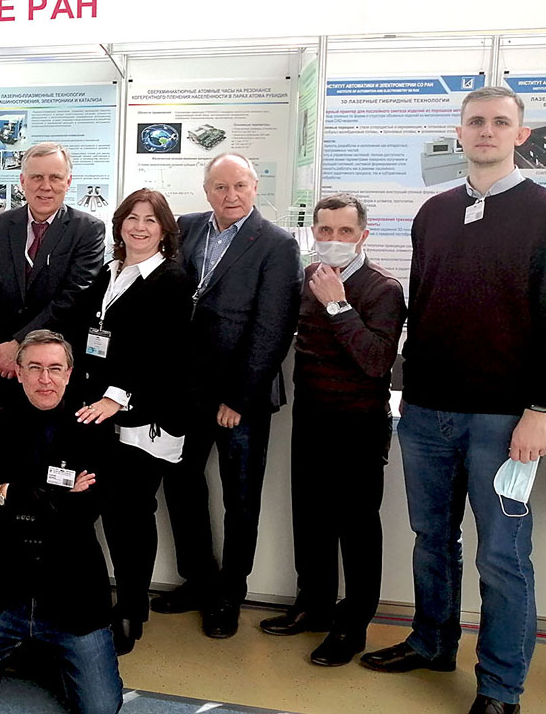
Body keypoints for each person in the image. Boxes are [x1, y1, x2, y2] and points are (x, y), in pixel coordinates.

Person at [361, 86, 546, 714]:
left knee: (503, 557)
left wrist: (541, 409)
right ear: (461, 132)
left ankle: (500, 687)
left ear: (520, 135)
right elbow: (425, 304)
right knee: (431, 538)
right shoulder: (434, 212)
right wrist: (405, 393)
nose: (486, 131)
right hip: (426, 411)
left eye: (500, 122)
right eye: (476, 121)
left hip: (505, 418)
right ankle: (431, 642)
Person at [150, 153, 302, 639]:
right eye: (220, 186)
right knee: (181, 485)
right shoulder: (187, 228)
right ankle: (198, 579)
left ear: (255, 187)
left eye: (239, 186)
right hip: (186, 391)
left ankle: (229, 595)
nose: (230, 195)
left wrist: (239, 398)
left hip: (241, 398)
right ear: (206, 189)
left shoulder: (277, 244)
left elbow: (273, 328)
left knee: (240, 497)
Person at [0, 330, 121, 714]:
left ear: (69, 373)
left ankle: (42, 653)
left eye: (55, 368)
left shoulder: (93, 428)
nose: (45, 379)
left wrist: (11, 492)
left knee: (101, 708)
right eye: (35, 368)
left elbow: (86, 513)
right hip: (3, 588)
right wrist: (56, 492)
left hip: (73, 589)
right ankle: (24, 648)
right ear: (19, 372)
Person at [258, 194, 405, 667]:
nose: (334, 239)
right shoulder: (308, 277)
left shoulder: (383, 288)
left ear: (363, 235)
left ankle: (353, 625)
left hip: (359, 425)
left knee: (357, 527)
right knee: (311, 517)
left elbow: (376, 361)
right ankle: (314, 605)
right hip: (312, 418)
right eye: (325, 230)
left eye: (345, 231)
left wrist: (338, 305)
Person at [73, 188, 193, 654]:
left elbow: (164, 353)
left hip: (145, 417)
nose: (139, 227)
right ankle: (102, 602)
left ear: (164, 230)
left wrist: (117, 397)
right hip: (99, 413)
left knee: (131, 517)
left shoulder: (171, 279)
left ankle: (130, 612)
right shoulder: (111, 271)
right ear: (120, 223)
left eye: (150, 220)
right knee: (103, 511)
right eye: (132, 218)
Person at [0, 142, 104, 409]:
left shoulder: (88, 230)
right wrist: (0, 349)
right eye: (36, 177)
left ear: (68, 182)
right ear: (23, 181)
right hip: (6, 369)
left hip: (58, 372)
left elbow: (73, 297)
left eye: (55, 177)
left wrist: (19, 344)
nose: (45, 186)